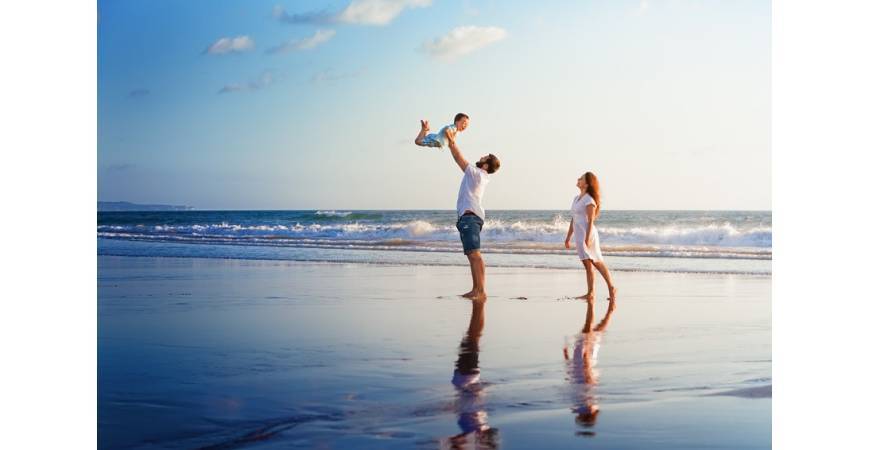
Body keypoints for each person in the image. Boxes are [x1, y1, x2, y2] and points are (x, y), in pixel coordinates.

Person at [445, 132, 500, 300]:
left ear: (486, 165)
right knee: (471, 255)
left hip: (470, 218)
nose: (482, 156)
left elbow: (458, 158)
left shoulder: (477, 174)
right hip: (467, 217)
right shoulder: (477, 174)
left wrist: (451, 142)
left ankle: (481, 290)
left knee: (475, 255)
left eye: (485, 157)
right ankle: (476, 289)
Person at [563, 296, 616, 434]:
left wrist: (567, 359)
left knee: (593, 333)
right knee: (592, 333)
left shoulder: (585, 405)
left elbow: (573, 377)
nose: (577, 415)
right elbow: (588, 380)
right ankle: (608, 311)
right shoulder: (587, 405)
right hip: (585, 361)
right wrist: (585, 359)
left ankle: (608, 312)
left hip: (582, 362)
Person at [564, 172, 617, 302]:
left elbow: (591, 220)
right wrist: (568, 236)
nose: (578, 179)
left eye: (581, 179)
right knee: (587, 264)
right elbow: (573, 218)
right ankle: (591, 293)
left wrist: (587, 238)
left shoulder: (589, 200)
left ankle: (611, 288)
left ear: (586, 184)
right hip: (579, 235)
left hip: (588, 235)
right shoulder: (576, 198)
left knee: (596, 262)